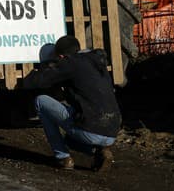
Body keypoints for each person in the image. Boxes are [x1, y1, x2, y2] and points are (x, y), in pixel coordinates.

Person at [19, 35, 121, 171]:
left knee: (40, 101)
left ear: (61, 57)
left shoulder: (71, 63)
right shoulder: (97, 62)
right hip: (113, 131)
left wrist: (31, 76)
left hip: (91, 130)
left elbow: (41, 81)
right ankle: (101, 150)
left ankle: (63, 158)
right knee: (70, 139)